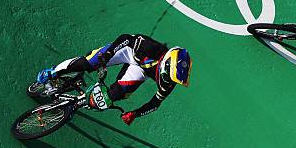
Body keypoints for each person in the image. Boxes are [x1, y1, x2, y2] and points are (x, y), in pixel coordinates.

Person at [36, 34, 192, 125]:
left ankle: (78, 102)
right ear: (165, 65)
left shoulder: (169, 83)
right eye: (167, 76)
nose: (168, 81)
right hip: (127, 51)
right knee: (90, 63)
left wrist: (135, 114)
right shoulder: (149, 47)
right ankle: (53, 72)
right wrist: (109, 54)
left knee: (116, 95)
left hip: (140, 70)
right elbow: (125, 38)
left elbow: (155, 104)